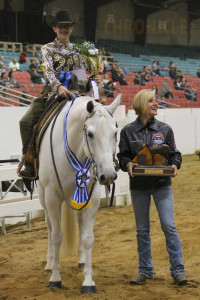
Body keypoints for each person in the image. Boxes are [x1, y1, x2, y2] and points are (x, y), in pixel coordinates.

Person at [19, 9, 101, 178]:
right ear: (54, 28)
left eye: (67, 26)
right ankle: (30, 159)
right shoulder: (47, 48)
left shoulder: (77, 51)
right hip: (51, 94)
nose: (64, 29)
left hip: (74, 96)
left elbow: (79, 77)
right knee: (25, 123)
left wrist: (90, 82)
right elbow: (49, 71)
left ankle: (101, 159)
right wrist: (58, 87)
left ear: (71, 28)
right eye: (60, 26)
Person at [117, 89, 187, 286]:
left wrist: (175, 164)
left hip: (162, 185)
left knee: (169, 226)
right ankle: (145, 270)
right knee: (142, 230)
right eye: (151, 101)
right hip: (138, 186)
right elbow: (122, 157)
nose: (156, 103)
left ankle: (178, 270)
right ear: (141, 104)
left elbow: (175, 154)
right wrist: (127, 164)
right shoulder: (127, 131)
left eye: (156, 101)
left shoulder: (165, 129)